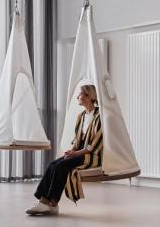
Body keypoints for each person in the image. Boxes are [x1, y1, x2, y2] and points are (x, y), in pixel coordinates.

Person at [26, 84, 103, 216]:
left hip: (92, 156)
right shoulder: (81, 116)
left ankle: (52, 203)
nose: (78, 97)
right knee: (53, 164)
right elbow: (77, 140)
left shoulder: (99, 116)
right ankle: (45, 202)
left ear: (88, 96)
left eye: (80, 94)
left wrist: (76, 153)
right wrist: (71, 151)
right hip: (78, 153)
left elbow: (94, 145)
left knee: (61, 166)